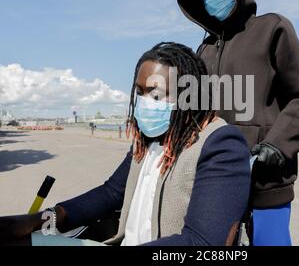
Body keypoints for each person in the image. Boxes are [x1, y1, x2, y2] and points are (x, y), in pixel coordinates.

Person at [0, 42, 251, 246]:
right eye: (139, 92)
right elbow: (111, 192)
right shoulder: (147, 141)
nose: (145, 102)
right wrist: (40, 220)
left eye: (155, 94)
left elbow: (203, 241)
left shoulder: (220, 144)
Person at [177, 0, 299, 245]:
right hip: (217, 181)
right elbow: (193, 110)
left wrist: (276, 147)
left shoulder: (272, 28)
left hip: (267, 182)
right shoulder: (202, 50)